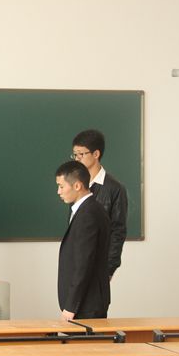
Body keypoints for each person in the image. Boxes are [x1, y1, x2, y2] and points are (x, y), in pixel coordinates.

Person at [55, 161, 111, 321]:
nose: (59, 191)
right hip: (86, 303)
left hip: (86, 305)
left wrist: (71, 307)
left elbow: (84, 264)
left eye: (61, 186)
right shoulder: (88, 209)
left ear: (77, 186)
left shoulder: (88, 214)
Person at [72, 129, 128, 280]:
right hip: (76, 263)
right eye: (75, 155)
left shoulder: (115, 188)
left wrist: (109, 269)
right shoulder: (76, 185)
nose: (77, 159)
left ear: (96, 154)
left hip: (100, 266)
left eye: (81, 154)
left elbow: (118, 231)